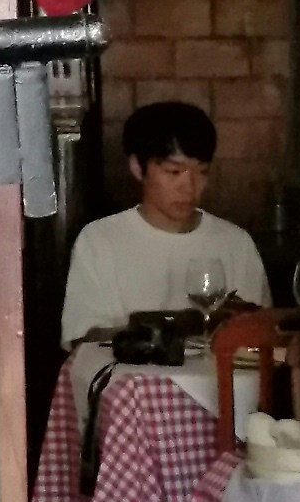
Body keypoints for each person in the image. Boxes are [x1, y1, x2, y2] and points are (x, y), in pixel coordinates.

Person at [60, 100, 270, 350]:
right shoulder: (100, 240)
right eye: (173, 172)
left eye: (201, 172)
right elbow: (83, 337)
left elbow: (262, 331)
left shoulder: (235, 243)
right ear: (138, 168)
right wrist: (174, 327)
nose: (189, 187)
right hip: (130, 385)